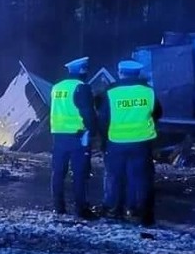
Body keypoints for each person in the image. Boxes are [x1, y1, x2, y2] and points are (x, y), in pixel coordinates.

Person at [98, 60, 162, 226]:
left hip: (116, 142)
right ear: (137, 74)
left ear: (120, 72)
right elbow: (157, 113)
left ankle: (113, 211)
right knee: (141, 178)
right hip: (142, 143)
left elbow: (103, 119)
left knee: (114, 177)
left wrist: (103, 141)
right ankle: (141, 214)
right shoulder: (148, 91)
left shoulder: (111, 91)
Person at [50, 56, 97, 219]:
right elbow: (88, 113)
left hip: (58, 135)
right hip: (78, 137)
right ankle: (81, 209)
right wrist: (94, 131)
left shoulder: (56, 87)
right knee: (80, 173)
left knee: (58, 172)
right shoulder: (82, 87)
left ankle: (58, 207)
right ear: (82, 71)